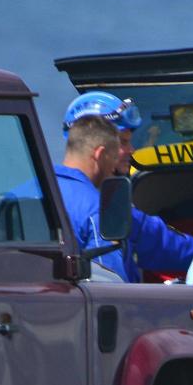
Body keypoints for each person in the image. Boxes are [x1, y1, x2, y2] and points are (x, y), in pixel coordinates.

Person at [63, 91, 193, 282]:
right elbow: (110, 292)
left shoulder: (20, 197)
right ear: (100, 151)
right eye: (123, 142)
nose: (132, 150)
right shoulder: (102, 211)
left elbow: (164, 242)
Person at [53, 115, 126, 277]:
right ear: (100, 154)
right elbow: (110, 282)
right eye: (114, 158)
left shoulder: (18, 195)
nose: (114, 168)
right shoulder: (97, 208)